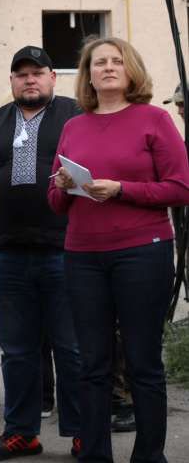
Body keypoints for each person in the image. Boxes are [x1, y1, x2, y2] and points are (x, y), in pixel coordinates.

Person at [49, 37, 189, 463]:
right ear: (88, 74)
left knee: (143, 363)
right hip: (82, 255)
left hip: (141, 252)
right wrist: (60, 186)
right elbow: (56, 204)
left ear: (131, 70)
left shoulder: (155, 119)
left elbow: (180, 187)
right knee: (91, 365)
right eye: (98, 62)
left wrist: (122, 188)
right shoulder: (74, 126)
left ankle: (150, 455)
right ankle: (94, 454)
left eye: (116, 61)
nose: (107, 68)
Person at [0, 46, 82, 460]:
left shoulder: (76, 115)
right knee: (17, 350)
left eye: (37, 72)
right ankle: (22, 432)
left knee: (72, 348)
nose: (29, 80)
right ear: (11, 81)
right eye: (21, 74)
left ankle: (82, 431)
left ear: (53, 77)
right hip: (5, 252)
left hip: (66, 248)